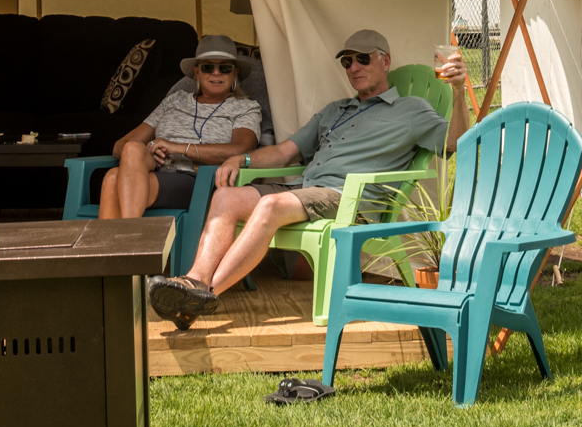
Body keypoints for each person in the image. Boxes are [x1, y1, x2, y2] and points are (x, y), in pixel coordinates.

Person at [145, 29, 469, 328]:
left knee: (270, 206)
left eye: (363, 58)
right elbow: (285, 152)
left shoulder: (410, 109)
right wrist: (240, 158)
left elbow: (455, 142)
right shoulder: (335, 109)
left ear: (385, 61)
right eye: (347, 60)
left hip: (348, 198)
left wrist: (457, 91)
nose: (354, 66)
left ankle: (207, 294)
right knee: (226, 196)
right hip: (306, 191)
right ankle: (192, 282)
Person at [99, 35, 262, 219]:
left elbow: (241, 149)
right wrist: (150, 150)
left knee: (113, 178)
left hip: (197, 179)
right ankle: (129, 242)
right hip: (157, 171)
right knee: (131, 148)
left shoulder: (245, 108)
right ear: (197, 71)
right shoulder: (174, 101)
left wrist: (177, 148)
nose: (216, 73)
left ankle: (126, 241)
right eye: (208, 67)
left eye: (224, 68)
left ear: (235, 73)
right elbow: (120, 145)